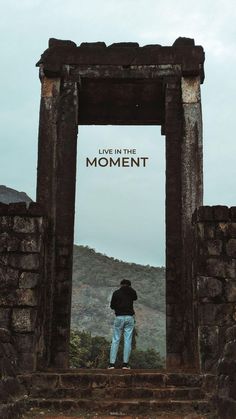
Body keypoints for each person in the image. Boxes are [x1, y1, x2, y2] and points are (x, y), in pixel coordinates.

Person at [108, 278, 137, 369]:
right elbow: (135, 297)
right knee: (128, 341)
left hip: (119, 317)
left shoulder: (116, 293)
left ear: (121, 285)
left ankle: (112, 364)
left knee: (115, 340)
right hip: (129, 318)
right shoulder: (131, 292)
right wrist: (129, 288)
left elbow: (112, 306)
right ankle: (125, 364)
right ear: (129, 285)